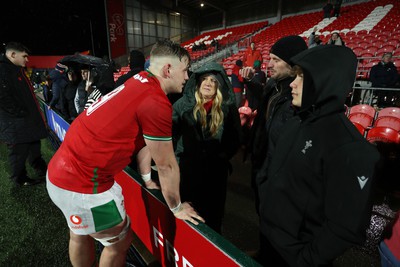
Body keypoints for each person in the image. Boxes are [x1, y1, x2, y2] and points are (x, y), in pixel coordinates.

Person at [46, 39, 205, 267]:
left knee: (80, 232)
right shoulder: (155, 101)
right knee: (118, 243)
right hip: (85, 188)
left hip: (61, 173)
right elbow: (167, 165)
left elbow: (140, 142)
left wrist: (147, 179)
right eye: (185, 70)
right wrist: (177, 207)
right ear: (168, 69)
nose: (187, 77)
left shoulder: (137, 81)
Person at [258, 45, 380, 266]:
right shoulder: (295, 121)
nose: (292, 84)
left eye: (302, 77)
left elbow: (345, 225)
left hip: (295, 258)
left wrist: (304, 260)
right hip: (269, 241)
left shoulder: (349, 148)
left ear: (325, 81)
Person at [172, 62, 242, 233]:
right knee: (190, 217)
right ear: (197, 82)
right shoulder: (181, 106)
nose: (208, 83)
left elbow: (236, 137)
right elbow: (170, 137)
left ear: (219, 85)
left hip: (215, 174)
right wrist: (180, 158)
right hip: (188, 173)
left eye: (213, 80)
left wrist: (222, 156)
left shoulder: (227, 108)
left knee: (213, 218)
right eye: (204, 79)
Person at [0, 42, 48, 186]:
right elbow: (3, 97)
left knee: (34, 147)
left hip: (26, 122)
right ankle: (20, 179)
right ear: (13, 54)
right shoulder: (3, 70)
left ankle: (43, 171)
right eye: (24, 56)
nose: (27, 60)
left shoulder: (15, 69)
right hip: (16, 124)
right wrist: (20, 113)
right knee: (19, 153)